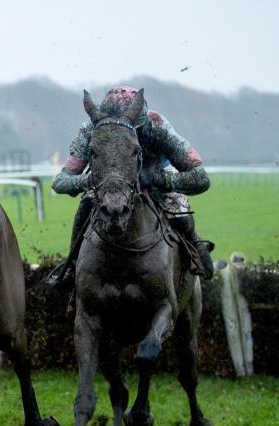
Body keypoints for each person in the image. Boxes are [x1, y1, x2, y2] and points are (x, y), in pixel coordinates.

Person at [49, 86, 213, 288]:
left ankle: (194, 249)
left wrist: (157, 179)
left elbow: (200, 178)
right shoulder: (93, 128)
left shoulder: (157, 125)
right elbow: (60, 181)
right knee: (86, 204)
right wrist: (88, 181)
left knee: (179, 209)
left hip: (154, 182)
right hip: (107, 186)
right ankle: (72, 265)